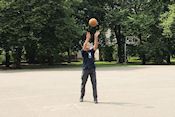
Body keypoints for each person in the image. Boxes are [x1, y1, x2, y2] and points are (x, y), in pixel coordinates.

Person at [80, 30, 100, 104]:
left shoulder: (91, 51)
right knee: (83, 83)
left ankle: (95, 98)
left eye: (89, 44)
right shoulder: (84, 52)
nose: (88, 45)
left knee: (94, 84)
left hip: (92, 69)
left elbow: (96, 45)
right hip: (85, 69)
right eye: (87, 44)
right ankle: (81, 96)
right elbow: (84, 46)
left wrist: (95, 37)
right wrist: (87, 39)